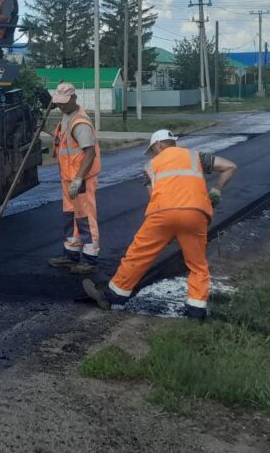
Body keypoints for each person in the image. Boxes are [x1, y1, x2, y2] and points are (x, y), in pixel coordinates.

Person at [82, 129, 237, 319]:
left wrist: (168, 230)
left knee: (138, 255)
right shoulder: (195, 157)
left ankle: (113, 296)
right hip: (196, 214)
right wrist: (216, 191)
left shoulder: (150, 166)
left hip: (162, 214)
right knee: (197, 264)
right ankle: (196, 309)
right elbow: (230, 166)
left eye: (153, 150)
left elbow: (153, 198)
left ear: (159, 145)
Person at [45, 83, 101, 275]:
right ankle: (71, 254)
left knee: (85, 216)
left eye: (64, 103)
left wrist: (78, 179)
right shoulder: (67, 117)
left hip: (81, 178)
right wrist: (45, 128)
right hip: (68, 177)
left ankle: (90, 258)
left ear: (74, 98)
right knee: (70, 215)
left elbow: (90, 152)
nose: (61, 107)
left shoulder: (81, 122)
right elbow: (62, 139)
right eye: (58, 104)